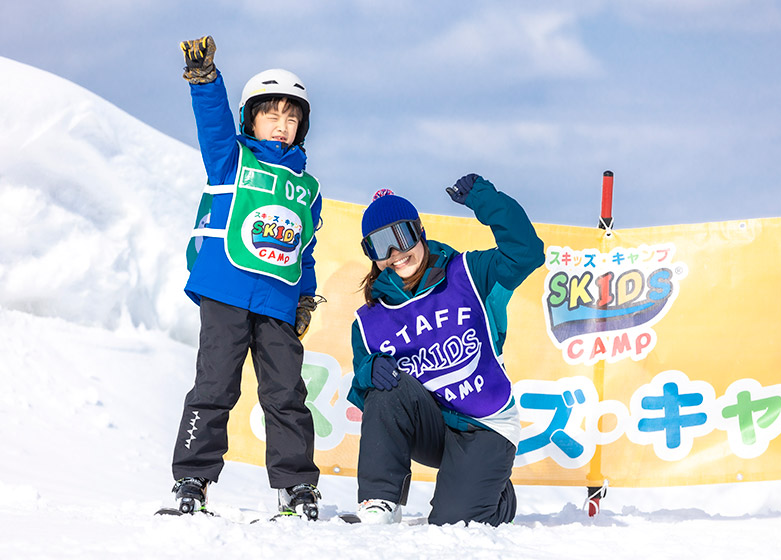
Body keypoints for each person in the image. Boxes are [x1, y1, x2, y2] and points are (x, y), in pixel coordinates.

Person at [168, 36, 323, 520]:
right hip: (226, 290)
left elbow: (306, 247)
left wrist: (304, 298)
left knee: (286, 395)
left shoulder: (309, 187)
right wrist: (205, 78)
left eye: (292, 117)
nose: (282, 126)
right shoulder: (230, 160)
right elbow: (212, 122)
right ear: (251, 118)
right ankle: (192, 480)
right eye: (272, 115)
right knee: (215, 387)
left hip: (278, 300)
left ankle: (296, 489)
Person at [347, 174, 544, 525]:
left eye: (401, 237)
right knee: (384, 387)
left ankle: (495, 490)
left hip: (485, 424)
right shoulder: (370, 320)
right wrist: (368, 370)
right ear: (371, 256)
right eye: (381, 246)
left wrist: (485, 200)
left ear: (419, 232)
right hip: (434, 424)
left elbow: (526, 253)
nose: (395, 253)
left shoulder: (469, 273)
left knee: (453, 524)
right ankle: (380, 501)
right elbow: (365, 386)